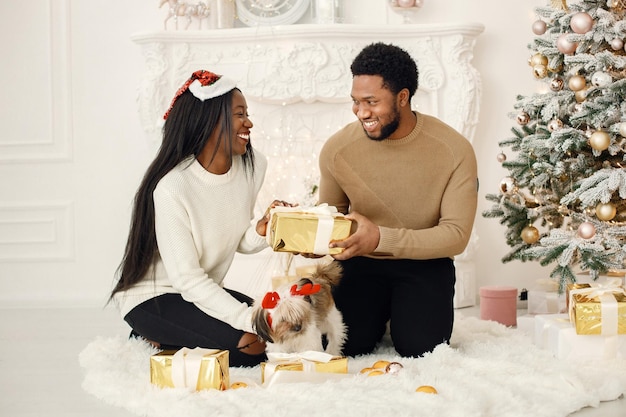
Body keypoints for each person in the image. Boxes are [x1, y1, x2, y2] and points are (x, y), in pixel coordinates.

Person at [109, 70, 292, 367]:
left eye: (247, 113)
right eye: (239, 114)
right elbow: (188, 280)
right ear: (209, 121)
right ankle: (149, 330)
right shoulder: (173, 188)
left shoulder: (254, 165)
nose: (249, 122)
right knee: (251, 347)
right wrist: (246, 319)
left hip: (201, 290)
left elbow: (235, 240)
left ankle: (169, 338)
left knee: (281, 329)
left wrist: (261, 229)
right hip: (155, 297)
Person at [318, 43, 478, 358]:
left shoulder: (453, 149)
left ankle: (401, 315)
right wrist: (306, 234)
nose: (361, 112)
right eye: (355, 101)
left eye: (371, 102)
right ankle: (383, 313)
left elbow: (456, 236)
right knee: (346, 346)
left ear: (402, 97)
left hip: (426, 263)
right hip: (361, 264)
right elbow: (330, 219)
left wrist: (381, 237)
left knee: (421, 348)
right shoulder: (337, 149)